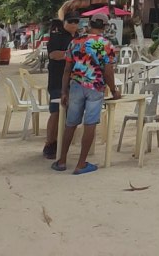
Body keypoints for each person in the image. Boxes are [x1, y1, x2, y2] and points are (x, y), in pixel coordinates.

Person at [53, 13, 120, 175]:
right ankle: (81, 164)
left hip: (76, 86)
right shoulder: (106, 44)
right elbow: (108, 71)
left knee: (71, 123)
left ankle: (62, 161)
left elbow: (67, 70)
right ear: (105, 27)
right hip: (95, 87)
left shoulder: (75, 42)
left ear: (89, 24)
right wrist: (114, 90)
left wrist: (64, 91)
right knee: (90, 124)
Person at [42, 17, 78, 160]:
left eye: (76, 21)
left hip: (75, 81)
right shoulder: (56, 36)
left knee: (70, 114)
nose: (74, 24)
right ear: (64, 23)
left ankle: (62, 144)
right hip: (57, 81)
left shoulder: (80, 37)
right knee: (56, 112)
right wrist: (72, 55)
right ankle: (50, 143)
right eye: (71, 21)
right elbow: (53, 55)